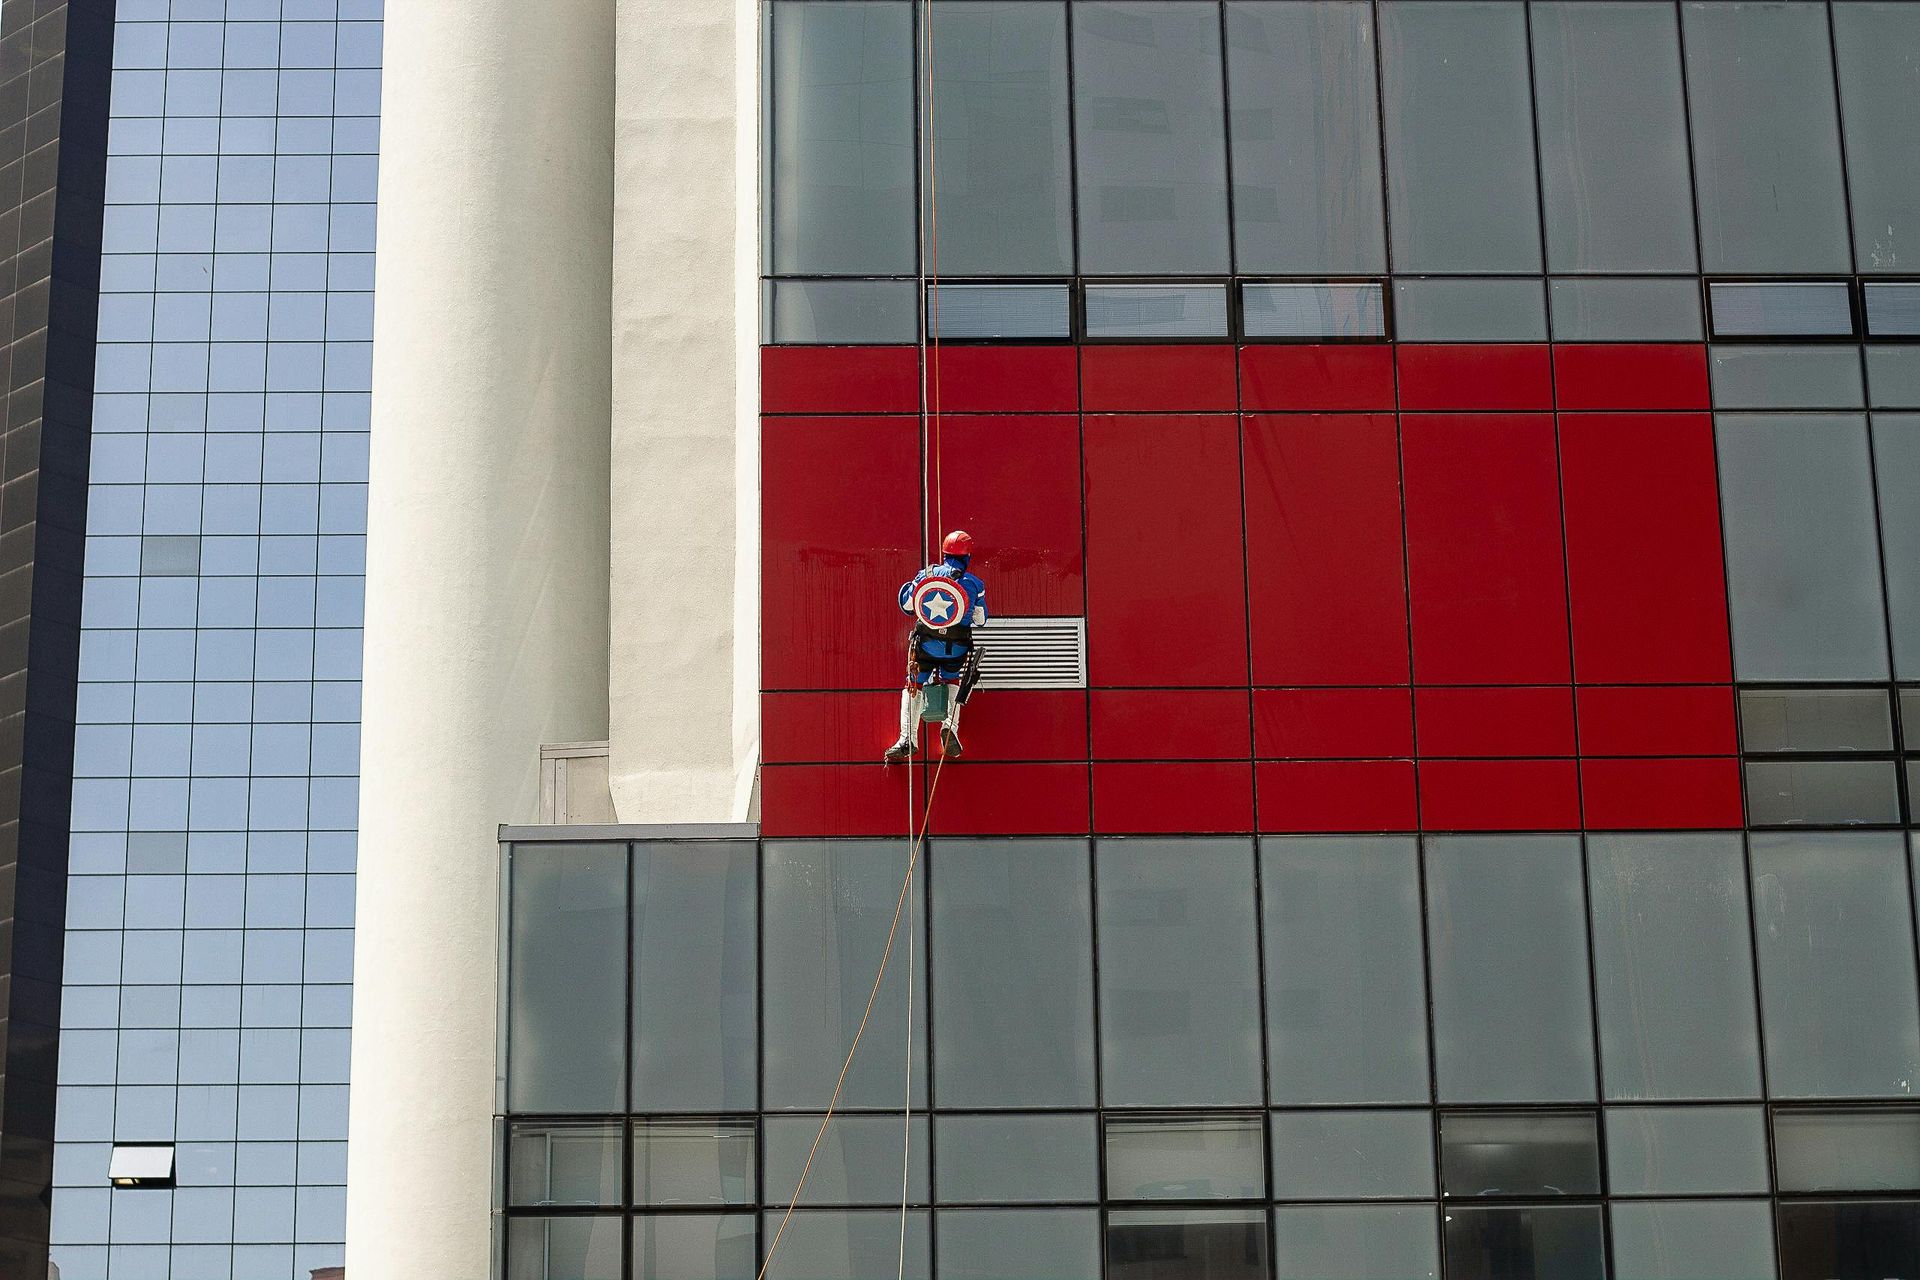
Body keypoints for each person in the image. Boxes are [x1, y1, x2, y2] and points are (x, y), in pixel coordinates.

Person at [885, 530, 986, 762]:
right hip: (957, 649)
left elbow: (908, 605)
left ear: (944, 553)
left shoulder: (926, 575)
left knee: (914, 683)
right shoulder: (975, 584)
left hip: (926, 647)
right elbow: (980, 620)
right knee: (952, 681)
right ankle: (950, 728)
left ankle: (907, 739)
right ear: (967, 557)